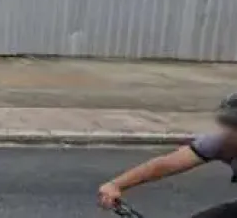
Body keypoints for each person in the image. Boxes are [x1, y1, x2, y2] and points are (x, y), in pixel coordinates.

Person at [98, 93, 237, 217]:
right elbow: (166, 164)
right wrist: (115, 185)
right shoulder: (221, 143)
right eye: (228, 125)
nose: (229, 133)